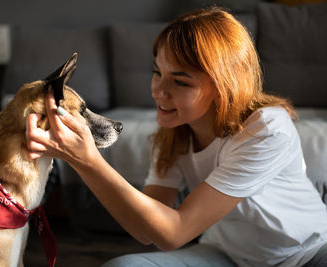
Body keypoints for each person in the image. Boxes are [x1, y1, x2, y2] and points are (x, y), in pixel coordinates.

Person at [25, 7, 327, 267]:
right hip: (230, 256)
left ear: (224, 86)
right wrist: (78, 160)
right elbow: (147, 231)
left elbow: (175, 232)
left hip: (306, 254)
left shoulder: (266, 129)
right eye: (157, 72)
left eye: (180, 81)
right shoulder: (174, 133)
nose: (159, 90)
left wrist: (89, 161)